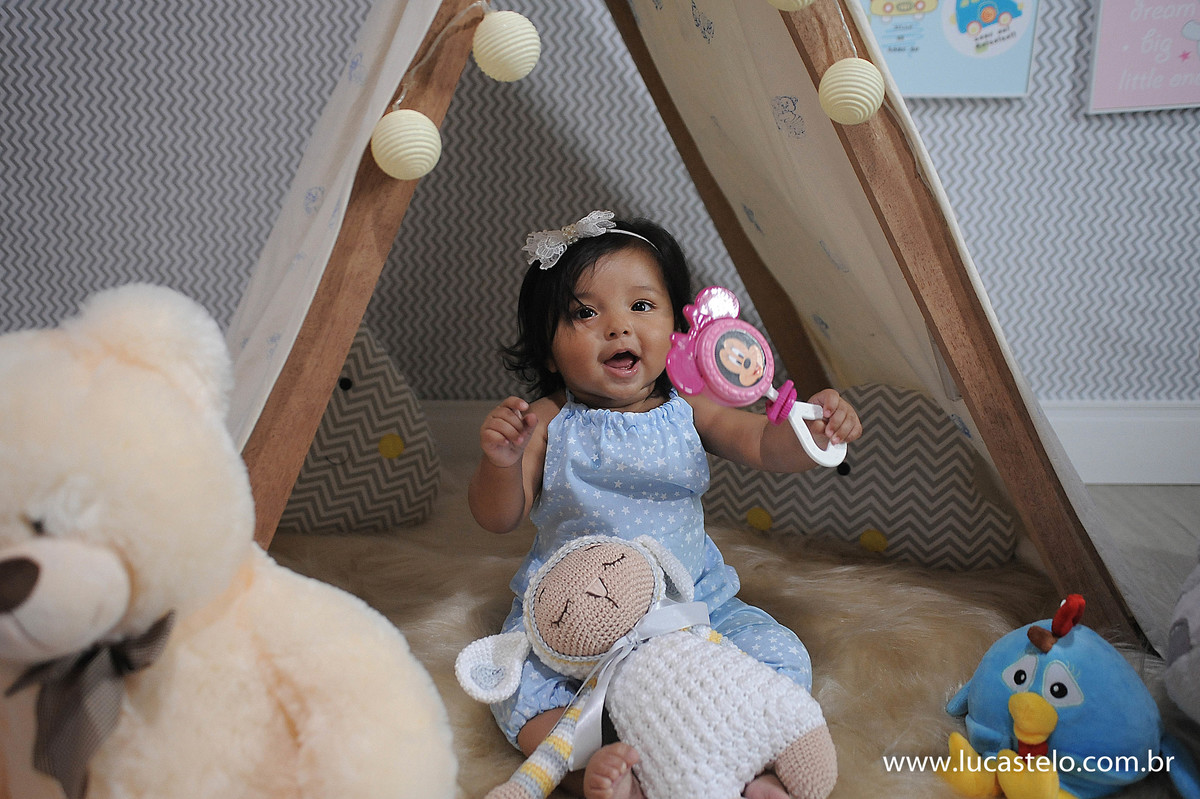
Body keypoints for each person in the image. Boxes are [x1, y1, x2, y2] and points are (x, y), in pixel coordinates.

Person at [469, 211, 862, 799]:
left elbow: (762, 443)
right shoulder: (550, 421)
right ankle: (603, 768)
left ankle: (750, 769)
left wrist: (814, 431)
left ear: (678, 327)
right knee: (520, 693)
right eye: (585, 313)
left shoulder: (689, 408)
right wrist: (501, 462)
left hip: (692, 605)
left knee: (780, 658)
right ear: (548, 352)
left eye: (641, 306)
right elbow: (498, 517)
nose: (618, 327)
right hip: (581, 619)